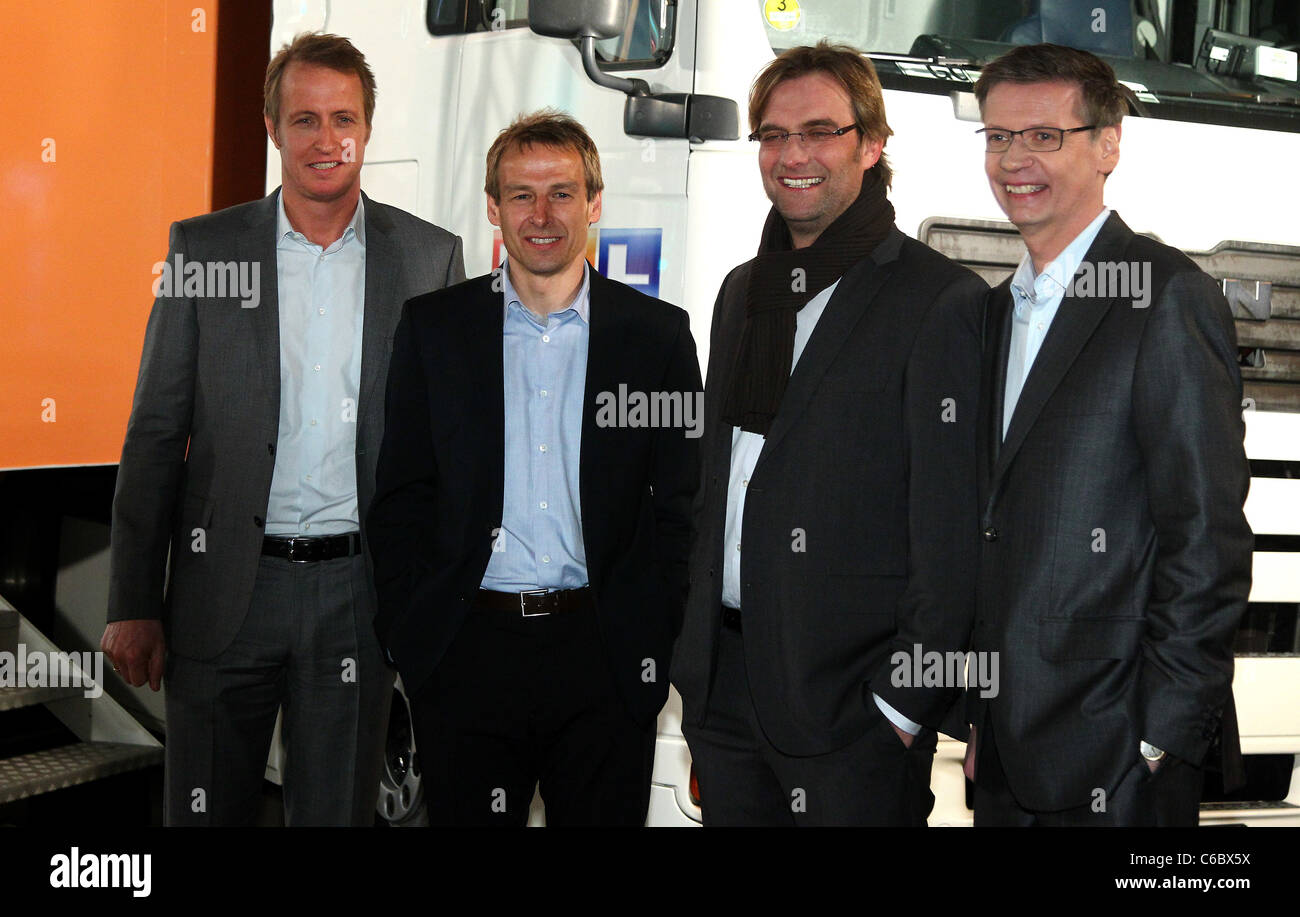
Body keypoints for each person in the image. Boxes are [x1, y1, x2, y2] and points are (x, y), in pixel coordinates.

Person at [101, 32, 465, 826]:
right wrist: (133, 598)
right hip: (225, 589)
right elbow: (156, 431)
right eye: (304, 119)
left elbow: (450, 454)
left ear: (368, 128)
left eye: (343, 118)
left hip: (358, 598)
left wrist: (438, 602)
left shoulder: (430, 260)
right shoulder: (203, 249)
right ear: (272, 128)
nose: (325, 140)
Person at [670, 42, 987, 826]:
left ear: (872, 144)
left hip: (853, 713)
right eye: (773, 136)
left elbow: (953, 532)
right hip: (726, 693)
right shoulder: (744, 290)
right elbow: (722, 480)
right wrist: (691, 660)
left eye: (818, 131)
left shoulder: (940, 299)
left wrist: (902, 706)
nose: (792, 155)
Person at [367, 111, 702, 826]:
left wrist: (653, 632)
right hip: (468, 653)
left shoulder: (656, 338)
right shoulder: (435, 330)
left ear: (595, 204)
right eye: (521, 194)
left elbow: (683, 507)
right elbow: (400, 496)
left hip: (604, 658)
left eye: (562, 192)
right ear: (493, 207)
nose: (542, 214)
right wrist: (412, 637)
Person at [965, 42, 1252, 826]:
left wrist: (1164, 736)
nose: (1014, 159)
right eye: (997, 136)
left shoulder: (1165, 297)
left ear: (1109, 144)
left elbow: (1208, 536)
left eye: (1043, 136)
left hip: (1121, 754)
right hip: (1003, 754)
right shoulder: (992, 314)